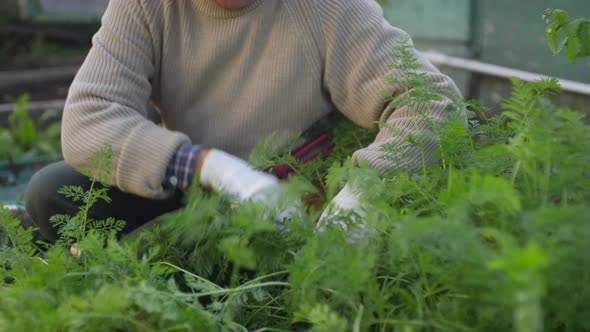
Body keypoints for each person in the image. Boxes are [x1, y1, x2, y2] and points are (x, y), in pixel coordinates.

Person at [25, 0, 461, 242]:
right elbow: (88, 117)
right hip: (192, 186)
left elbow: (431, 100)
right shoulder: (144, 5)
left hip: (292, 204)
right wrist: (212, 168)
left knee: (162, 257)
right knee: (51, 191)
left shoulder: (328, 8)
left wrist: (364, 191)